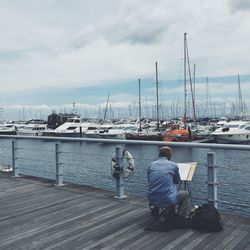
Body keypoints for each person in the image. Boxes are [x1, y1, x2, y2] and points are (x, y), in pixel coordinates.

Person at [147, 146, 192, 218]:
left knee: (159, 187)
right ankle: (180, 217)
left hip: (152, 198)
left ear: (159, 155)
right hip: (167, 199)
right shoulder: (173, 165)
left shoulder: (151, 165)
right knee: (185, 194)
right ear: (169, 156)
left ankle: (156, 210)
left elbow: (150, 181)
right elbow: (177, 181)